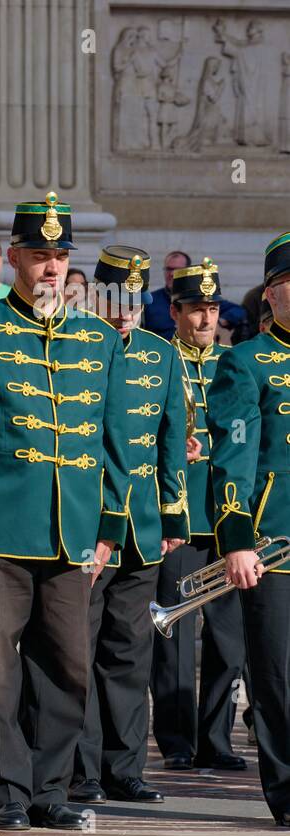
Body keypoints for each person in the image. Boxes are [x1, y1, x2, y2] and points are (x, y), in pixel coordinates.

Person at [0, 193, 132, 831]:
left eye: (59, 255)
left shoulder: (99, 339)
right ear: (13, 258)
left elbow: (115, 441)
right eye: (38, 254)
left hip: (73, 531)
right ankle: (6, 791)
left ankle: (50, 790)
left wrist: (109, 527)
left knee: (69, 668)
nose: (49, 267)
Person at [70, 247, 187, 806]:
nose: (124, 313)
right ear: (95, 296)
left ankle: (126, 767)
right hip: (87, 527)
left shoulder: (163, 356)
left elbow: (172, 441)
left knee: (129, 653)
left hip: (141, 528)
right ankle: (82, 769)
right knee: (79, 652)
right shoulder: (72, 347)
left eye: (134, 303)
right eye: (115, 301)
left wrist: (173, 514)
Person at [152, 257, 248, 772]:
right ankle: (177, 741)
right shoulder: (160, 360)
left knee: (228, 639)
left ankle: (218, 737)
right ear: (176, 311)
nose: (207, 318)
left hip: (227, 518)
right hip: (181, 516)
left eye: (212, 308)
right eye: (195, 309)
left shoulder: (233, 362)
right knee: (174, 637)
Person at [207, 230, 290, 827]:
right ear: (273, 294)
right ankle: (287, 790)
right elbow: (233, 455)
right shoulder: (245, 363)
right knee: (278, 678)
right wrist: (236, 536)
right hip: (274, 544)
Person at [142, 250, 247, 339]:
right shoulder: (150, 300)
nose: (172, 274)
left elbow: (239, 311)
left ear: (188, 270)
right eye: (169, 269)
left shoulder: (199, 299)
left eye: (178, 270)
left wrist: (220, 321)